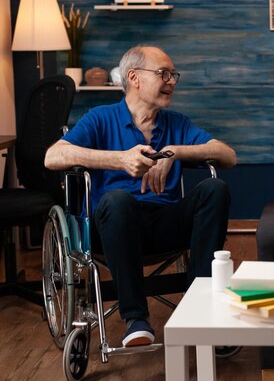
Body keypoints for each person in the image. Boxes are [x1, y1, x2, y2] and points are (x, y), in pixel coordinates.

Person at [45, 45, 237, 348]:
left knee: (215, 189)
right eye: (164, 73)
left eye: (173, 74)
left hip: (163, 224)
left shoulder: (176, 123)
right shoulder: (100, 118)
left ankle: (201, 309)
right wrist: (118, 159)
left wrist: (175, 153)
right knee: (118, 199)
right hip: (111, 227)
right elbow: (53, 156)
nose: (171, 80)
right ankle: (135, 319)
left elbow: (228, 155)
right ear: (134, 77)